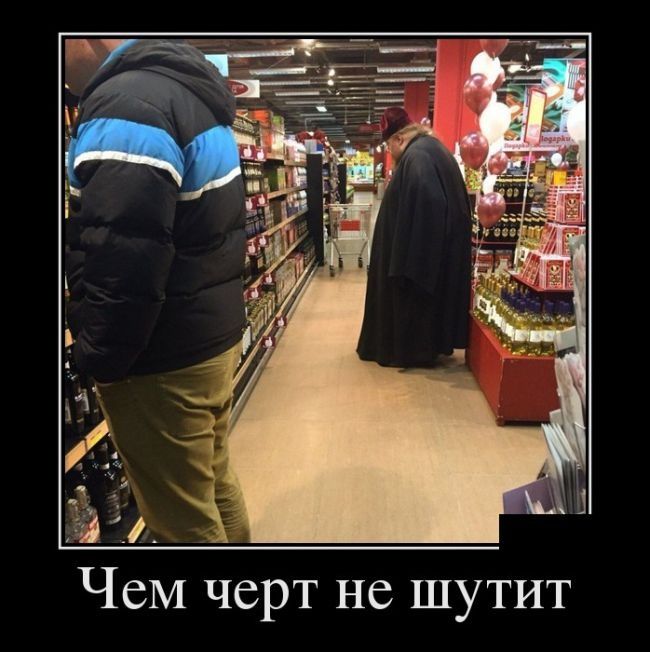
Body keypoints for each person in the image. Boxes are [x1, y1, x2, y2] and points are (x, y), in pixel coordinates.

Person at [65, 38, 250, 543]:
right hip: (207, 335)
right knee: (214, 484)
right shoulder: (184, 91)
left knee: (182, 521)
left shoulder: (127, 104)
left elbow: (126, 254)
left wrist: (101, 356)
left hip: (160, 356)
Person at [357, 107, 472, 367]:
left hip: (418, 264)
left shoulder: (417, 157)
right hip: (433, 257)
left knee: (414, 311)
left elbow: (430, 205)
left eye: (389, 146)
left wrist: (409, 261)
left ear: (399, 139)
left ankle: (410, 352)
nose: (389, 151)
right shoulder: (431, 150)